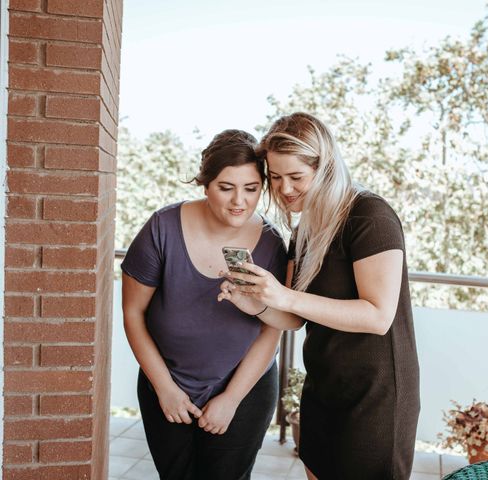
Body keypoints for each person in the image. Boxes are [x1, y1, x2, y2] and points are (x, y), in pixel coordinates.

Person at [218, 112, 420, 479]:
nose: (285, 189)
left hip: (374, 399)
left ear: (325, 167)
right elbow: (293, 319)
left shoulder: (369, 216)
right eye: (276, 178)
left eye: (296, 177)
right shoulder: (305, 228)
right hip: (323, 389)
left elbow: (378, 316)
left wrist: (284, 297)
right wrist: (257, 303)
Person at [121, 129, 287, 480]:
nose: (239, 201)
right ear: (205, 184)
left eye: (252, 189)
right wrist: (165, 389)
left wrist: (231, 399)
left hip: (245, 388)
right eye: (226, 187)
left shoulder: (272, 244)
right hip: (165, 382)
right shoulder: (162, 228)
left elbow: (272, 329)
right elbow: (133, 314)